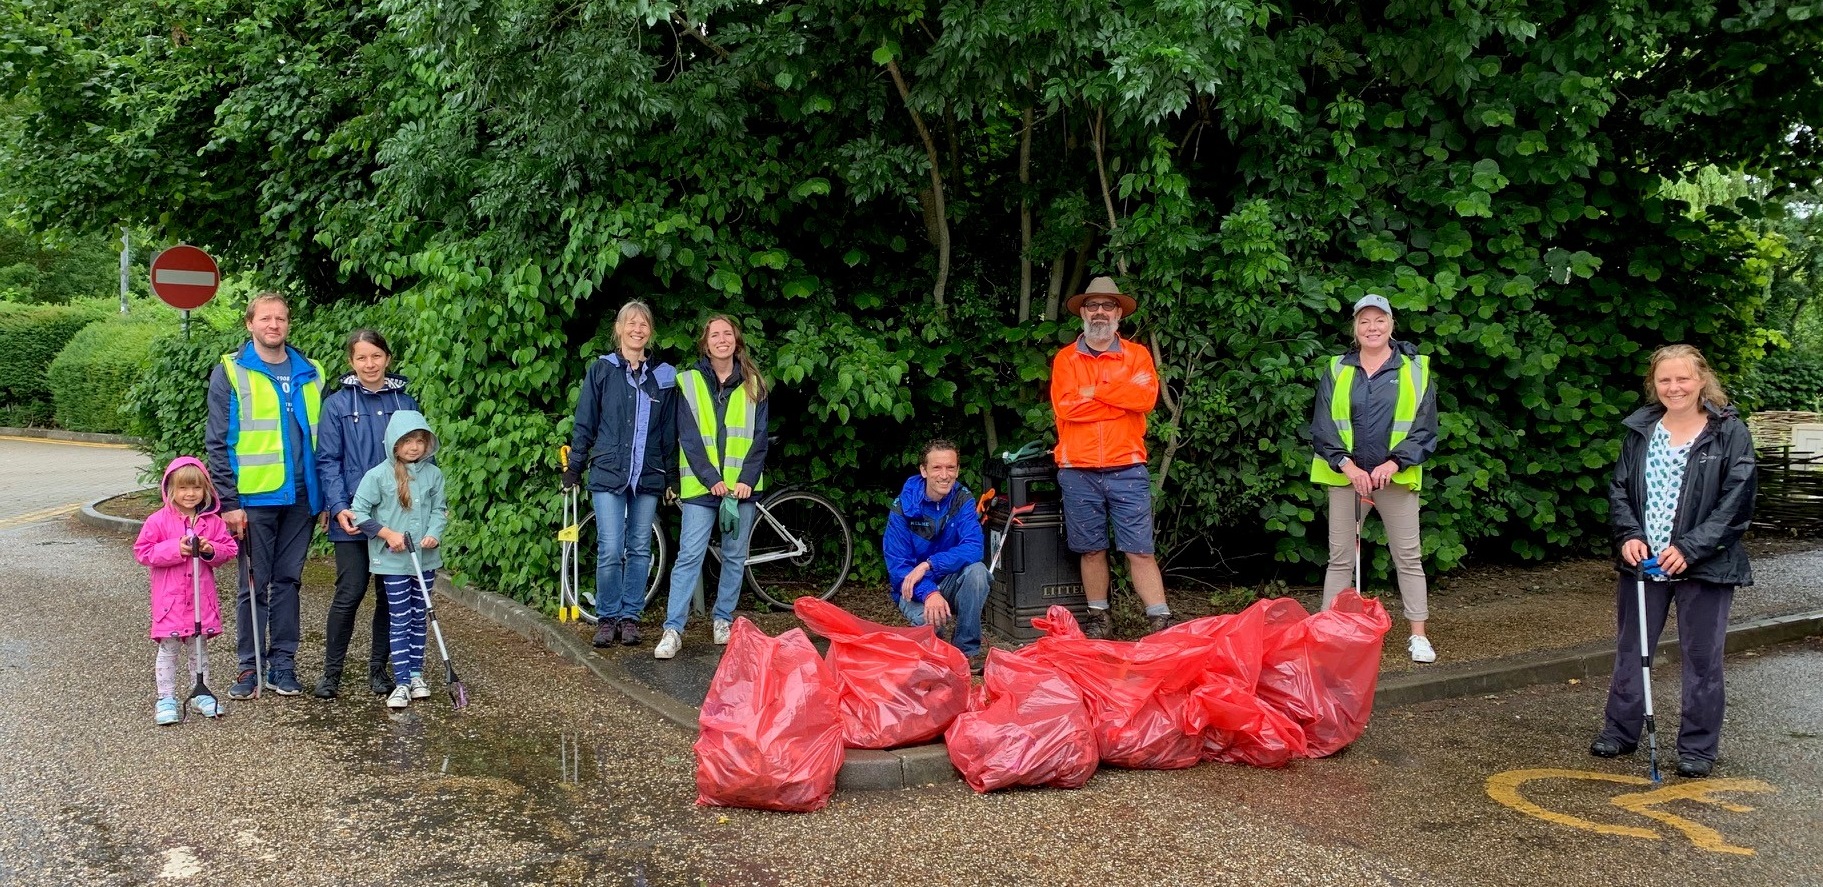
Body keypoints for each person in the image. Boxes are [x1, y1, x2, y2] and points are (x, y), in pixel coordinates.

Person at [1591, 344, 1755, 778]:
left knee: (1702, 658)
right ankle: (1620, 731)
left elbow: (1736, 503)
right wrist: (1628, 535)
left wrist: (1688, 549)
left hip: (1704, 564)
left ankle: (1697, 748)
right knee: (1631, 649)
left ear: (1701, 380)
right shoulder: (1641, 430)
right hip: (1643, 563)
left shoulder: (1729, 432)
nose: (1674, 387)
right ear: (1654, 384)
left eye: (1683, 378)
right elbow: (1620, 489)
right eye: (1665, 380)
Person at [205, 291, 325, 698]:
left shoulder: (312, 371)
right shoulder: (231, 371)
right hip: (254, 500)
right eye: (266, 318)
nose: (274, 325)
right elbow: (217, 443)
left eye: (281, 319)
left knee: (289, 581)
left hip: (303, 498)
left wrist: (324, 498)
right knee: (253, 583)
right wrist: (230, 503)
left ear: (288, 324)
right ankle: (248, 667)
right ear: (250, 324)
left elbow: (322, 441)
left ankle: (283, 665)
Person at [1309, 293, 1440, 663]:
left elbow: (1425, 429)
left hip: (1394, 479)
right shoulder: (1336, 368)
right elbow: (1322, 427)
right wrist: (1347, 466)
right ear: (1355, 328)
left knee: (1408, 557)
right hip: (1345, 478)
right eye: (1364, 321)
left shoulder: (1416, 369)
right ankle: (1326, 633)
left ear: (1391, 324)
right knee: (1339, 559)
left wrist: (1393, 464)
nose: (1372, 327)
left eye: (1379, 320)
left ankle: (1418, 636)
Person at [1050, 276, 1171, 639]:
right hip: (1078, 469)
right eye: (1092, 305)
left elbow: (1144, 400)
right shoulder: (1065, 359)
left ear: (1119, 312)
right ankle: (1099, 619)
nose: (1099, 311)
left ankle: (1160, 620)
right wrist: (1118, 398)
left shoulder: (1138, 356)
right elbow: (1066, 407)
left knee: (1140, 550)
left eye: (1107, 305)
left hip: (1127, 466)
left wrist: (1095, 391)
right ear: (1083, 313)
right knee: (1091, 550)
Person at [654, 315, 770, 660]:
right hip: (702, 488)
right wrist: (711, 479)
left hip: (741, 489)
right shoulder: (688, 382)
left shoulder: (754, 384)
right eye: (715, 335)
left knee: (735, 557)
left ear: (737, 341)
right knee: (689, 555)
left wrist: (746, 479)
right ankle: (673, 629)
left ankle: (723, 619)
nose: (722, 339)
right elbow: (687, 437)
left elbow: (759, 439)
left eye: (728, 334)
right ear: (705, 344)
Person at [314, 329, 421, 699]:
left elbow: (421, 459)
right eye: (361, 358)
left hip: (395, 517)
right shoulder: (337, 405)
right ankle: (332, 673)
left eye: (376, 356)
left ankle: (379, 669)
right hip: (353, 517)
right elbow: (327, 460)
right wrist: (338, 505)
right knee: (350, 591)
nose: (369, 364)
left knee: (390, 595)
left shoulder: (406, 403)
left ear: (387, 358)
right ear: (351, 362)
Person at [565, 301, 678, 648]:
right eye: (631, 323)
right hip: (609, 471)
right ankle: (607, 617)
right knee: (611, 548)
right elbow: (586, 422)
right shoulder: (602, 370)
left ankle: (631, 618)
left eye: (644, 323)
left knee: (640, 548)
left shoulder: (664, 375)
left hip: (648, 473)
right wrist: (574, 467)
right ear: (619, 329)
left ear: (650, 331)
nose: (637, 329)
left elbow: (670, 430)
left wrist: (672, 477)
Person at [349, 412, 449, 711]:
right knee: (400, 618)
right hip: (392, 563)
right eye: (407, 441)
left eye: (420, 441)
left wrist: (433, 534)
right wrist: (387, 533)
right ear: (394, 443)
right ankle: (401, 681)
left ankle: (417, 676)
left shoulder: (434, 475)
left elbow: (440, 510)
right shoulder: (378, 475)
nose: (414, 447)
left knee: (421, 617)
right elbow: (359, 512)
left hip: (425, 560)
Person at [134, 457, 239, 725]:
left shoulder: (212, 522)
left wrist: (208, 549)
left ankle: (200, 693)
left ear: (205, 490)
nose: (189, 494)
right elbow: (143, 552)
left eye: (195, 488)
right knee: (168, 649)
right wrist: (174, 548)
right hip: (170, 601)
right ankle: (166, 697)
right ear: (170, 489)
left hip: (200, 600)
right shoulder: (157, 521)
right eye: (182, 488)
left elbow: (228, 550)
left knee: (198, 649)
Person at [882, 440, 991, 673]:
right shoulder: (903, 508)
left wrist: (929, 564)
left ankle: (966, 652)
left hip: (946, 578)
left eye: (950, 468)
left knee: (978, 572)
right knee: (930, 622)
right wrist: (929, 591)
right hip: (913, 588)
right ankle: (937, 654)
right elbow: (899, 570)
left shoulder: (962, 499)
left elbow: (974, 548)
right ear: (923, 471)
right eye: (937, 468)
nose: (945, 475)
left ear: (958, 470)